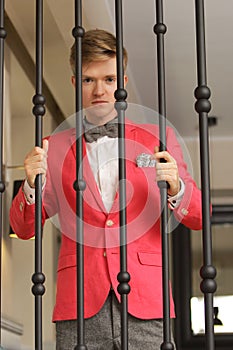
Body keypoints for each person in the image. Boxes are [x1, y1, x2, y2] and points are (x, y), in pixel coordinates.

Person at [10, 29, 202, 349]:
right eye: (88, 80)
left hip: (147, 303)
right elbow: (24, 229)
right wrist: (30, 185)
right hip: (80, 305)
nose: (99, 90)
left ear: (122, 82)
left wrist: (177, 187)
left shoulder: (158, 136)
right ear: (75, 84)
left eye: (109, 79)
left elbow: (199, 216)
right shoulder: (53, 146)